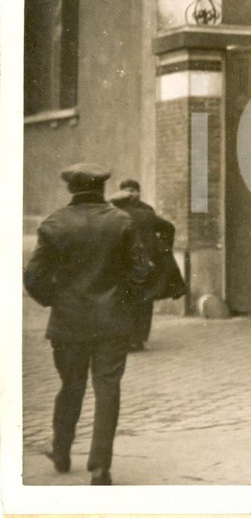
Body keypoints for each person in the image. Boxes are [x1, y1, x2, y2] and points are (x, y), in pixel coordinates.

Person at [23, 163, 150, 485]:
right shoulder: (123, 221)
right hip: (113, 322)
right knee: (108, 388)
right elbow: (141, 270)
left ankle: (61, 449)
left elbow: (33, 276)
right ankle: (100, 467)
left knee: (71, 385)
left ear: (71, 189)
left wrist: (55, 299)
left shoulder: (54, 224)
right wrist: (124, 301)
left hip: (68, 322)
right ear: (103, 188)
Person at [113, 179, 176, 351]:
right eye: (127, 191)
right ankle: (133, 338)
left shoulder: (146, 211)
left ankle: (138, 338)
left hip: (142, 262)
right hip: (134, 263)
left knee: (143, 301)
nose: (131, 194)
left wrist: (161, 249)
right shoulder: (120, 213)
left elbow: (167, 228)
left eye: (134, 190)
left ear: (139, 192)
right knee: (137, 299)